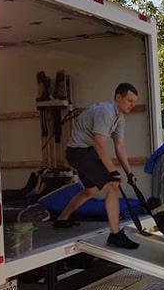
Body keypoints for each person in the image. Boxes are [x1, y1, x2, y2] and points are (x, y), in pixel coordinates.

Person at [53, 83, 140, 250]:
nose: (132, 105)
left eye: (134, 102)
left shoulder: (119, 117)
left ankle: (61, 219)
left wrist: (129, 172)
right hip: (79, 152)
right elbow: (99, 144)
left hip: (87, 151)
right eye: (129, 100)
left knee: (91, 190)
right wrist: (113, 172)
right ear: (118, 98)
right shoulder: (105, 112)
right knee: (112, 187)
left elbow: (119, 146)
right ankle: (115, 235)